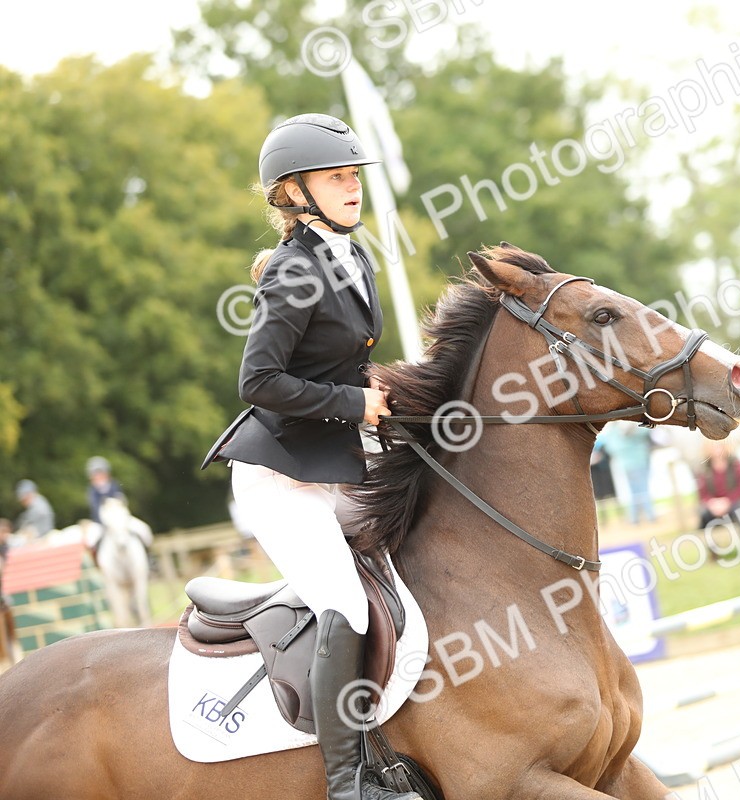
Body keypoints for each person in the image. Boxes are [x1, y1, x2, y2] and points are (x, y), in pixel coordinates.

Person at [200, 114, 414, 800]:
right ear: (294, 191)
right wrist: (353, 406)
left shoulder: (355, 256)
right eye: (335, 178)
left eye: (354, 176)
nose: (352, 189)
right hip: (278, 476)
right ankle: (346, 782)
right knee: (345, 606)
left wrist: (383, 390)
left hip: (332, 464)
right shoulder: (293, 272)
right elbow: (258, 382)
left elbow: (344, 363)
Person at [594, 423, 657, 525]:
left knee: (635, 491)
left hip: (629, 463)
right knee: (642, 490)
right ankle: (649, 516)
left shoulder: (615, 430)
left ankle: (635, 518)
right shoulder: (622, 428)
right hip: (637, 462)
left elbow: (611, 448)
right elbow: (647, 432)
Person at [695, 441, 740, 531]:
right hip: (714, 505)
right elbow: (702, 494)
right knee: (704, 515)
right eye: (713, 447)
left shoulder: (735, 464)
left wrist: (728, 501)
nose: (717, 450)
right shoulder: (704, 469)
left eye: (719, 446)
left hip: (734, 502)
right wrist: (712, 503)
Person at [86, 456, 125, 524]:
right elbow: (95, 506)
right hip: (99, 522)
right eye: (95, 475)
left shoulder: (114, 485)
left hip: (118, 519)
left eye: (100, 474)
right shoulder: (92, 490)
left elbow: (121, 500)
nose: (98, 477)